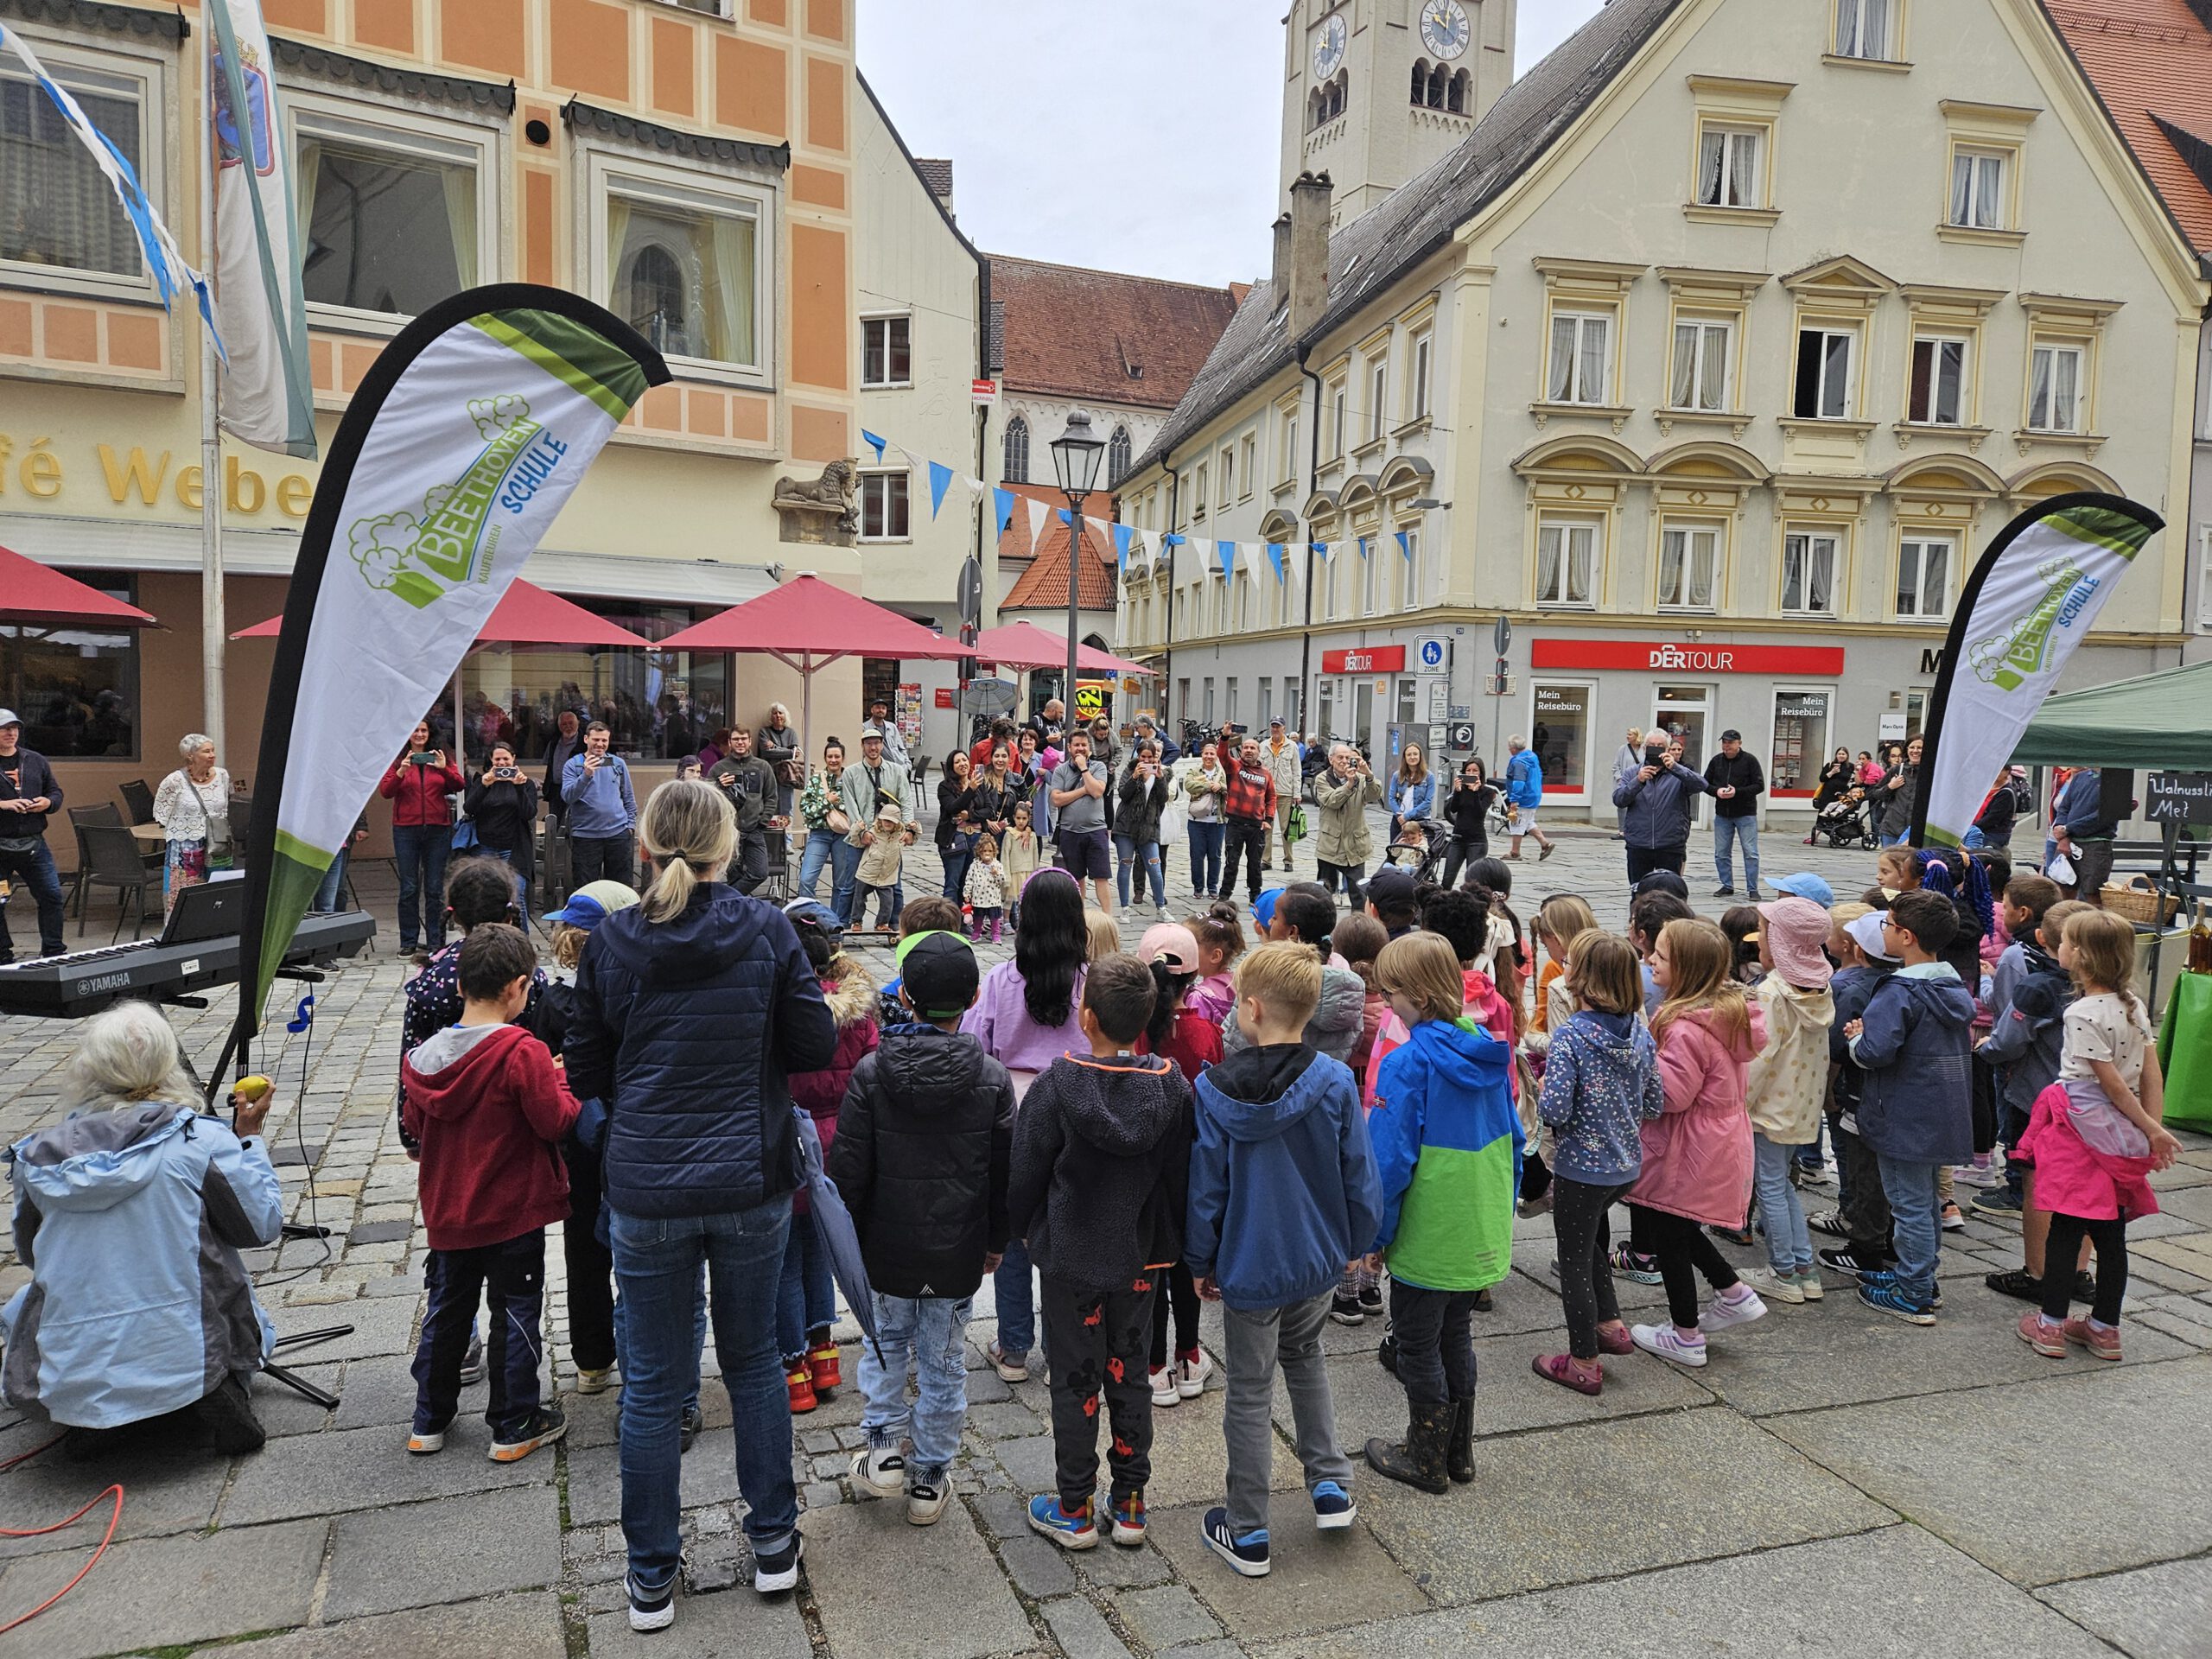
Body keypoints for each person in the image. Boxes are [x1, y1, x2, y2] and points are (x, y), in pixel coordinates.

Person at [563, 779, 839, 1621]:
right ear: (729, 847)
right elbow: (811, 1043)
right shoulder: (764, 930)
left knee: (650, 1384)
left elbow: (584, 1072)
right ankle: (772, 1545)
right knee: (753, 1363)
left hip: (647, 1185)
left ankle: (650, 1573)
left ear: (644, 849)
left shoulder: (611, 942)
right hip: (748, 1178)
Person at [1, 1002, 280, 1455]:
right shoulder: (200, 1140)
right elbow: (260, 1225)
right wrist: (248, 1141)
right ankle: (203, 1386)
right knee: (234, 1294)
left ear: (90, 1067)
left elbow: (32, 1254)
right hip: (186, 1342)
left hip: (76, 1349)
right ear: (168, 1064)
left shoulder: (36, 1158)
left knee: (22, 1304)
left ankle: (87, 1394)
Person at [1186, 939, 1382, 1577]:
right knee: (1307, 1358)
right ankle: (1329, 1483)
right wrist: (1357, 1242)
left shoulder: (1212, 1090)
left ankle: (1247, 1528)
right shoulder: (1331, 1081)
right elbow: (1359, 1173)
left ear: (1250, 1009)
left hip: (1248, 1266)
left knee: (1248, 1390)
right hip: (1316, 1258)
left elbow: (1207, 1189)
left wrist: (1199, 1260)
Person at [833, 929, 1015, 1525]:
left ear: (904, 997)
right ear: (970, 1000)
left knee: (885, 1348)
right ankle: (931, 1475)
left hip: (888, 1250)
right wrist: (995, 1243)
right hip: (958, 1251)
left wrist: (851, 1246)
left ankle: (884, 1449)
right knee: (943, 1362)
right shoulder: (991, 1079)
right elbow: (1003, 1174)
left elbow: (848, 1172)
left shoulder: (870, 1073)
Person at [1014, 955, 1195, 1552]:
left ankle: (1073, 1506)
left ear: (1085, 1016)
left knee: (1073, 1379)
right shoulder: (1172, 1086)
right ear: (1147, 1016)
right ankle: (1131, 1502)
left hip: (1070, 1256)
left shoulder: (1056, 1085)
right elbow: (1180, 1178)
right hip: (1140, 1259)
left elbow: (1027, 1172)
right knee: (1130, 1370)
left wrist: (1021, 1230)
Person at [402, 924, 578, 1464]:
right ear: (518, 987)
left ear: (459, 986)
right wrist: (563, 1080)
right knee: (517, 1312)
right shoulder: (522, 1052)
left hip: (449, 1211)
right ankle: (513, 1421)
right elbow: (554, 1122)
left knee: (447, 1310)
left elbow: (415, 1126)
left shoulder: (425, 1057)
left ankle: (428, 1419)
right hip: (512, 1211)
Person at [1362, 932, 1516, 1492]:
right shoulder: (1484, 1046)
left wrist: (1373, 1236)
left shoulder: (1407, 1064)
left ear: (1419, 999)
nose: (1384, 1003)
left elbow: (1388, 1162)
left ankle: (1425, 1456)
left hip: (1430, 1229)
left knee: (1416, 1342)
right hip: (1477, 1220)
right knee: (1456, 1337)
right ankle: (1459, 1453)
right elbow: (1514, 1139)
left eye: (1390, 992)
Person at [2015, 908, 2180, 1362]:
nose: (2059, 948)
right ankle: (2105, 1327)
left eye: (2066, 942)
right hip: (2121, 1134)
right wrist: (2151, 1128)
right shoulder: (2132, 1003)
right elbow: (2150, 1074)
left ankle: (2049, 1325)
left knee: (2066, 1226)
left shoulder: (2082, 1012)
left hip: (2081, 1132)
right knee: (2110, 1234)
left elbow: (2105, 1082)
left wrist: (2152, 1129)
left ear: (2082, 957)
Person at [1621, 918, 1768, 1368]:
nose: (1648, 961)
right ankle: (1734, 1292)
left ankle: (1686, 1335)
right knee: (1680, 1227)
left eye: (1659, 957)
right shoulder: (1725, 1013)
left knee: (1671, 1238)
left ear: (1684, 969)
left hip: (1690, 1146)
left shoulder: (1686, 1027)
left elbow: (1672, 1095)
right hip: (1717, 1140)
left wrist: (1636, 1070)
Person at [963, 868, 1089, 1382]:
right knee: (1067, 1231)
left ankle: (1014, 1347)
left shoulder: (1000, 980)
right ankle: (1068, 1344)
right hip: (1078, 1111)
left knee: (1013, 1232)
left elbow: (975, 1049)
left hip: (1011, 1118)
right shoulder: (1092, 980)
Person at [1531, 931, 1662, 1395]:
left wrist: (1543, 1081)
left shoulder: (1571, 1036)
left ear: (1579, 978)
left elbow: (1554, 1112)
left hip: (1580, 1168)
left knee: (1573, 1258)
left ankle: (1583, 1359)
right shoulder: (1640, 1033)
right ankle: (1611, 1324)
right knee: (1589, 1245)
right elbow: (1654, 1100)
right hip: (1625, 1166)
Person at [1842, 890, 1976, 1325]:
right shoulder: (1951, 984)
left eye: (1888, 924)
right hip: (1941, 1110)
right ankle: (1919, 1276)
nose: (1884, 930)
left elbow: (1874, 1053)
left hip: (1902, 1113)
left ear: (1906, 935)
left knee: (1909, 1204)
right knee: (1925, 1202)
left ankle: (1913, 1291)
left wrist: (1857, 1038)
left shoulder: (1900, 990)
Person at [537, 880, 643, 1397]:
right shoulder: (631, 989)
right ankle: (640, 1349)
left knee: (582, 1246)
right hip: (627, 1132)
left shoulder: (548, 996)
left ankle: (592, 1360)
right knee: (636, 1240)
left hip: (574, 1138)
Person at [778, 904, 877, 1415]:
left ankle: (794, 1370)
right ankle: (825, 1354)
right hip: (837, 1147)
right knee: (819, 1250)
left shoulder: (780, 1010)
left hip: (788, 1145)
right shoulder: (858, 1013)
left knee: (786, 1260)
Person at [1133, 923, 1221, 1408]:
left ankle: (1152, 1367)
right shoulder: (1204, 1031)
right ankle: (1189, 1355)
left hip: (1146, 1163)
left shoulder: (1133, 1029)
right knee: (1187, 1260)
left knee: (1152, 1263)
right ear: (1193, 981)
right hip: (1193, 1163)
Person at [1738, 898, 1835, 1305]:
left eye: (1765, 932)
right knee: (1785, 1186)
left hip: (1769, 1109)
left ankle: (1782, 1271)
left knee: (1772, 1187)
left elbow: (1759, 1058)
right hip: (1801, 1104)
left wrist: (1738, 1102)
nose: (1759, 940)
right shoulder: (1818, 987)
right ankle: (1803, 1268)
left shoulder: (1773, 992)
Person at [374, 722, 464, 951]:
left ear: (429, 734)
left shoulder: (440, 757)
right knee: (409, 887)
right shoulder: (398, 759)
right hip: (406, 830)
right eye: (415, 730)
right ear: (408, 734)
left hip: (437, 829)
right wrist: (401, 771)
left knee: (434, 889)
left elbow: (459, 785)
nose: (420, 735)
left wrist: (444, 768)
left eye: (424, 731)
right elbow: (386, 792)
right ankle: (408, 941)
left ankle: (436, 941)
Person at [0, 709, 67, 961]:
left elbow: (56, 792)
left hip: (34, 845)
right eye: (5, 728)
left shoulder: (35, 760)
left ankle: (54, 951)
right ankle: (3, 956)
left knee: (51, 895)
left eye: (14, 728)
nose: (11, 733)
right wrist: (3, 804)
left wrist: (47, 803)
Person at [837, 728, 917, 928]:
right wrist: (862, 831)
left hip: (889, 837)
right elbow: (850, 804)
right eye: (868, 743)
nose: (873, 747)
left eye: (876, 743)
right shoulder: (852, 773)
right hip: (862, 835)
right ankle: (844, 923)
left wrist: (909, 829)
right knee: (851, 884)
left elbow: (906, 801)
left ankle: (894, 925)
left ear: (882, 744)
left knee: (894, 885)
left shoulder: (896, 771)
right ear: (863, 746)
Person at [1613, 734, 1708, 887]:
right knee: (1639, 894)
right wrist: (1638, 781)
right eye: (1652, 746)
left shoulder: (1678, 773)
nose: (1656, 749)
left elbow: (1701, 785)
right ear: (1645, 749)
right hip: (1639, 844)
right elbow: (1619, 800)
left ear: (1668, 750)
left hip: (1670, 844)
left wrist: (1676, 767)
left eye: (1660, 746)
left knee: (1670, 896)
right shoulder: (1632, 772)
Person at [563, 721, 639, 889]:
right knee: (586, 889)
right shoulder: (573, 764)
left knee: (620, 889)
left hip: (618, 835)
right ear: (586, 739)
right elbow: (567, 797)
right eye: (596, 739)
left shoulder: (617, 764)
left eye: (604, 740)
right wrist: (586, 775)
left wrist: (630, 826)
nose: (600, 744)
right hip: (586, 837)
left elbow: (628, 797)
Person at [465, 742, 541, 906]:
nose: (502, 763)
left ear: (513, 759)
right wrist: (484, 786)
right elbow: (469, 808)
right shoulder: (482, 782)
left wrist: (519, 788)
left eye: (505, 758)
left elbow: (529, 813)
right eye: (497, 759)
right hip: (486, 847)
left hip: (514, 849)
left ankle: (519, 933)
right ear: (491, 760)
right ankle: (488, 932)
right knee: (486, 897)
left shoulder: (526, 784)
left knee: (515, 897)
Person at [1050, 730, 1116, 915]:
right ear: (1069, 747)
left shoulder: (1098, 767)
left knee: (1101, 876)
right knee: (1076, 878)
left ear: (1089, 749)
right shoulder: (1061, 770)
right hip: (1070, 832)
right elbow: (1056, 800)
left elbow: (1097, 791)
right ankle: (1079, 917)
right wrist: (1083, 791)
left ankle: (1107, 918)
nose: (1080, 748)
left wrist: (1084, 769)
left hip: (1096, 830)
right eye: (1076, 745)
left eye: (1084, 745)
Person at [709, 728, 779, 897]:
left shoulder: (763, 766)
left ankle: (725, 898)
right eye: (736, 739)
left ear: (749, 741)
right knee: (734, 875)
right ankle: (735, 910)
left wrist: (763, 820)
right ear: (729, 743)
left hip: (755, 829)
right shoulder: (719, 768)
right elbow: (708, 797)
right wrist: (718, 784)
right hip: (730, 831)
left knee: (760, 872)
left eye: (743, 739)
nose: (740, 742)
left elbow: (772, 797)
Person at [1311, 741, 1380, 907]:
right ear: (1331, 759)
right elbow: (1331, 801)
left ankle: (1358, 930)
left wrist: (1369, 776)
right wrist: (1349, 785)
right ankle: (1323, 928)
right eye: (1340, 757)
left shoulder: (1361, 778)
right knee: (1325, 893)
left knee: (1359, 894)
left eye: (1348, 758)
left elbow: (1374, 796)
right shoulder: (1321, 779)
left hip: (1355, 845)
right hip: (1330, 845)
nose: (1344, 761)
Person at [1704, 730, 1765, 899]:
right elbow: (1704, 783)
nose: (1726, 746)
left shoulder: (1750, 761)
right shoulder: (1716, 761)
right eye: (1724, 742)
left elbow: (1759, 786)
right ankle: (1727, 885)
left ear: (1739, 743)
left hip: (1745, 813)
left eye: (1730, 742)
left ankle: (1752, 889)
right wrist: (1717, 791)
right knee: (1721, 852)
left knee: (1750, 852)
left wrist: (1737, 792)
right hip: (1723, 814)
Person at [1116, 740, 1171, 920]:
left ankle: (1161, 908)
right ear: (1138, 756)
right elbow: (1123, 794)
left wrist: (1161, 778)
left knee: (1155, 867)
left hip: (1149, 826)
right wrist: (1134, 778)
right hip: (1126, 826)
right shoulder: (1130, 770)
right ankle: (1124, 908)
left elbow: (1163, 799)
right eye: (1143, 757)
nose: (1146, 761)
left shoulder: (1159, 774)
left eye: (1150, 757)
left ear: (1156, 757)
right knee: (1125, 866)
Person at [2050, 766, 2118, 904]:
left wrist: (2068, 829)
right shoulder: (2080, 777)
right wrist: (2064, 837)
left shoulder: (2117, 779)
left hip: (2096, 846)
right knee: (2062, 890)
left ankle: (2090, 925)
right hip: (2069, 843)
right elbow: (2064, 808)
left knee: (2092, 894)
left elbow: (2106, 815)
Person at [794, 740, 850, 902]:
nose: (833, 760)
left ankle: (837, 922)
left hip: (843, 836)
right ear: (825, 758)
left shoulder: (851, 780)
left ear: (843, 758)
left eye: (837, 756)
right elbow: (806, 810)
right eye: (830, 756)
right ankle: (808, 918)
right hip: (819, 835)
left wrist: (835, 803)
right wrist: (827, 803)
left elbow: (857, 808)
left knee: (841, 883)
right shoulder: (816, 781)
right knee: (806, 880)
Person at [1187, 899, 1247, 1027]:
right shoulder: (1239, 982)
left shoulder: (1199, 998)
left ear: (1215, 956)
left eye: (1189, 945)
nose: (1182, 949)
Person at [1439, 759, 1495, 890]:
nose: (1471, 773)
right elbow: (1453, 809)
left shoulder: (1487, 792)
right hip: (1458, 839)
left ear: (1481, 773)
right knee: (1447, 880)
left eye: (1475, 771)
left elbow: (1479, 813)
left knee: (1473, 883)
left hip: (1477, 841)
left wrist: (1474, 792)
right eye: (1468, 771)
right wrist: (1457, 791)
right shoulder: (1461, 789)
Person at [1182, 738, 1229, 899]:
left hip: (1217, 821)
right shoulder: (1194, 771)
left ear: (1216, 756)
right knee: (1197, 855)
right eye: (1206, 753)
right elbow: (1189, 785)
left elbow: (1230, 789)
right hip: (1196, 821)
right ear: (1201, 755)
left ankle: (1213, 887)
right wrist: (1209, 786)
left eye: (1212, 754)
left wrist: (1221, 787)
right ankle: (1198, 887)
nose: (1209, 756)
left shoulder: (1222, 773)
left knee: (1215, 856)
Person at [852, 803, 908, 931]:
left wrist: (915, 826)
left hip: (886, 876)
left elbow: (914, 835)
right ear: (880, 820)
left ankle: (881, 923)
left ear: (897, 823)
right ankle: (856, 922)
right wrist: (858, 829)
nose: (887, 823)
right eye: (885, 820)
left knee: (888, 902)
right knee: (859, 899)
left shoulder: (900, 834)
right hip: (867, 873)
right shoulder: (872, 831)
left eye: (891, 821)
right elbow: (855, 840)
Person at [936, 748, 981, 903]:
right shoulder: (945, 787)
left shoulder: (978, 782)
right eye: (957, 762)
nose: (962, 764)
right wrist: (970, 790)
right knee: (952, 883)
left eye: (964, 760)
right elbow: (953, 807)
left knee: (968, 883)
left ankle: (965, 919)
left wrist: (971, 816)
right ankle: (948, 919)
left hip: (975, 837)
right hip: (954, 838)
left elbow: (988, 809)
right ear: (951, 767)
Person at [1260, 718, 1302, 874]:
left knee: (1287, 829)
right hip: (1266, 793)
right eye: (1273, 726)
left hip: (1285, 792)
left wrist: (1297, 793)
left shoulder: (1292, 746)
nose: (1275, 729)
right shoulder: (1263, 746)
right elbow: (1258, 768)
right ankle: (1266, 860)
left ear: (1284, 728)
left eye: (1278, 726)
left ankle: (1288, 860)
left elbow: (1297, 771)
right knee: (1266, 827)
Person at [1503, 734, 1554, 861]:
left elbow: (1519, 782)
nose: (1509, 750)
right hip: (1534, 794)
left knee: (1516, 822)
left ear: (1514, 749)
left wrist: (1514, 800)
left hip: (1524, 797)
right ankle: (1545, 844)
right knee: (1528, 821)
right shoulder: (1532, 756)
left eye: (1509, 748)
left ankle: (1515, 853)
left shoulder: (1519, 762)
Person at [1877, 735, 1922, 847]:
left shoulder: (1931, 772)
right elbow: (1874, 793)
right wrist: (1890, 787)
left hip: (1916, 831)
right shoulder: (1898, 770)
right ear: (1907, 750)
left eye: (1919, 748)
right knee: (1890, 864)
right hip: (1891, 829)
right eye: (1912, 747)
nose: (1915, 751)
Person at [966, 832, 1012, 942]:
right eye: (984, 851)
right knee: (978, 917)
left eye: (990, 851)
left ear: (994, 852)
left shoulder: (997, 865)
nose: (987, 853)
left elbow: (1002, 881)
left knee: (994, 918)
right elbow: (969, 879)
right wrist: (967, 893)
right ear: (979, 852)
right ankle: (976, 933)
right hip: (979, 897)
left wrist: (996, 874)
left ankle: (995, 934)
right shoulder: (975, 865)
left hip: (992, 898)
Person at [757, 704, 799, 818]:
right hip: (770, 775)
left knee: (787, 810)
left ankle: (787, 836)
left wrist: (774, 746)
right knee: (770, 808)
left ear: (785, 716)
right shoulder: (764, 732)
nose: (778, 716)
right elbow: (766, 753)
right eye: (774, 713)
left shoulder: (791, 733)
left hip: (787, 775)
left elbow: (795, 753)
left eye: (780, 713)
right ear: (770, 717)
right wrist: (788, 751)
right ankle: (771, 836)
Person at [1387, 741, 1436, 841]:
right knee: (1396, 850)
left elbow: (1427, 802)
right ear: (1404, 758)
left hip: (1420, 820)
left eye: (1415, 754)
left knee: (1419, 852)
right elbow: (1391, 798)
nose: (1412, 757)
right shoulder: (1397, 775)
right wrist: (1400, 816)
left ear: (1420, 756)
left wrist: (1408, 816)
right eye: (1409, 755)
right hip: (1399, 820)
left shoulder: (1429, 776)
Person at [1967, 760, 2018, 850]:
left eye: (2000, 770)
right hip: (1978, 828)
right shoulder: (1987, 787)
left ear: (2007, 772)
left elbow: (1993, 818)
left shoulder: (2007, 792)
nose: (1996, 773)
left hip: (1994, 833)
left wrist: (1972, 828)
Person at [1005, 803, 1041, 927]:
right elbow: (1005, 855)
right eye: (1018, 818)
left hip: (1028, 871)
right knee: (1010, 898)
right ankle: (1005, 921)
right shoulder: (1009, 834)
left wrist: (1035, 873)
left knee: (1024, 899)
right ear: (1014, 817)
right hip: (1014, 871)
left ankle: (1022, 921)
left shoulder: (1032, 836)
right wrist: (1006, 874)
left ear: (1028, 819)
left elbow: (1035, 855)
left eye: (1024, 818)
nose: (1021, 821)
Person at [1611, 728, 1646, 838]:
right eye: (1627, 734)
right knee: (1622, 806)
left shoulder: (1643, 749)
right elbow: (1615, 766)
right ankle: (1622, 831)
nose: (1627, 736)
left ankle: (1636, 829)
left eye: (1630, 734)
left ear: (1637, 736)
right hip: (1625, 781)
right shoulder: (1623, 749)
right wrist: (1619, 778)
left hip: (1640, 782)